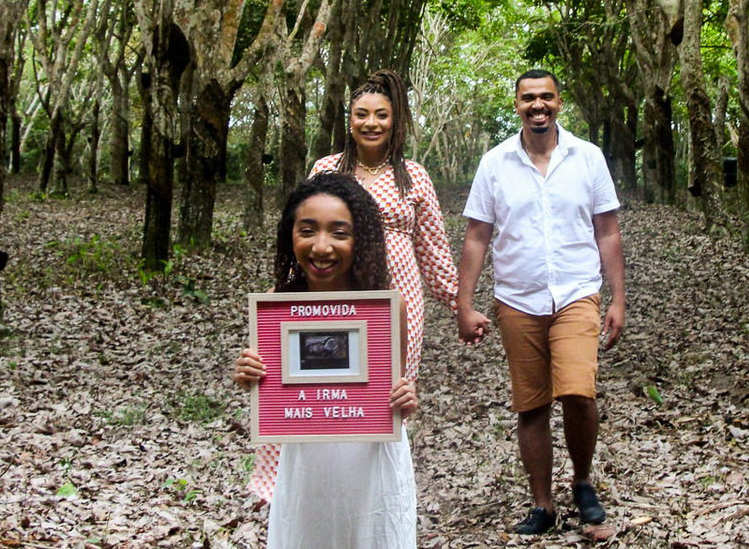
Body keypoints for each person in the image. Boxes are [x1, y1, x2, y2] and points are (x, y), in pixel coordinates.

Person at [456, 69, 627, 535]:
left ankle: (583, 482)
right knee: (531, 404)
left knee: (578, 391)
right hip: (517, 298)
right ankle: (542, 505)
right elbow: (477, 236)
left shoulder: (587, 157)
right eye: (528, 98)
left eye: (546, 97)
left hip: (576, 292)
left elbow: (607, 231)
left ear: (559, 102)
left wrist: (618, 298)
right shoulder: (495, 163)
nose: (538, 105)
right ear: (516, 105)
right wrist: (464, 304)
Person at [234, 173, 419, 548]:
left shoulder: (387, 307)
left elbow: (391, 393)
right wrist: (250, 374)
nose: (321, 246)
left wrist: (405, 399)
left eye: (339, 233)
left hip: (371, 460)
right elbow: (274, 391)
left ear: (360, 238)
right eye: (307, 231)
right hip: (307, 460)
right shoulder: (276, 307)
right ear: (290, 235)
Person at [309, 69, 458, 382]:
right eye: (361, 114)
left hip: (400, 300)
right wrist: (286, 291)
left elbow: (433, 250)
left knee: (393, 388)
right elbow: (305, 232)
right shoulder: (326, 169)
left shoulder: (414, 176)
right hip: (337, 294)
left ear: (394, 121)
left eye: (381, 115)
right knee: (338, 383)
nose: (371, 123)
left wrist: (460, 304)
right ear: (350, 121)